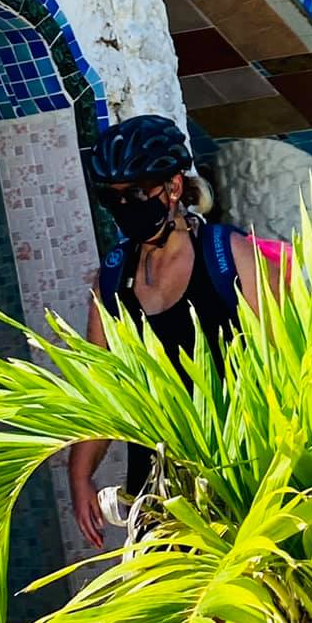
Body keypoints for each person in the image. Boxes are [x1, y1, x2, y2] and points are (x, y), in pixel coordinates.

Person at [69, 114, 281, 546]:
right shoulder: (112, 282)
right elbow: (103, 392)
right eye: (112, 198)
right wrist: (80, 476)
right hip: (158, 504)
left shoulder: (229, 257)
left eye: (135, 194)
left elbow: (291, 367)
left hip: (244, 493)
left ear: (174, 187)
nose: (124, 206)